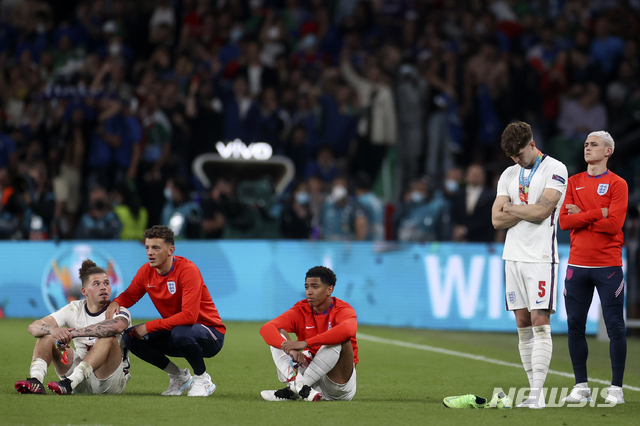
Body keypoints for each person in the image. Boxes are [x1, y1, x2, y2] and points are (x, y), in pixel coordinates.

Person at [491, 120, 568, 409]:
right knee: (522, 324)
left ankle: (538, 395)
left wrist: (511, 207)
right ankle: (531, 391)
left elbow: (542, 212)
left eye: (520, 155)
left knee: (539, 322)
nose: (516, 161)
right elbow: (496, 219)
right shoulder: (509, 173)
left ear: (533, 145)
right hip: (512, 256)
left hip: (540, 257)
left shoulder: (556, 169)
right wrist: (522, 210)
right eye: (511, 157)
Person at [106, 225, 225, 397]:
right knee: (130, 337)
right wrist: (115, 303)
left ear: (170, 250)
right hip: (177, 331)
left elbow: (189, 316)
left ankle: (202, 379)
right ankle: (180, 377)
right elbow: (130, 296)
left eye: (156, 247)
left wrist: (150, 326)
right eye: (147, 247)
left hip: (210, 334)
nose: (150, 252)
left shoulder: (187, 270)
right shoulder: (146, 271)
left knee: (181, 333)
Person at [558, 131, 628, 405]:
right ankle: (581, 386)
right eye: (586, 144)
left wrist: (583, 216)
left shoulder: (618, 184)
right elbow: (564, 222)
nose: (587, 147)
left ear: (608, 151)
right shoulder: (573, 182)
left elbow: (615, 225)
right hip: (577, 264)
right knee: (575, 326)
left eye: (594, 144)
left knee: (615, 327)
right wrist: (600, 212)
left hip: (608, 266)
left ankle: (616, 389)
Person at [15, 260, 132, 395]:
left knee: (108, 338)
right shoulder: (74, 308)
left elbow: (116, 326)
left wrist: (72, 334)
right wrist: (54, 331)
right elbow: (34, 327)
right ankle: (36, 380)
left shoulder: (119, 310)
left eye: (106, 283)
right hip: (79, 377)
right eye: (96, 284)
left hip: (108, 381)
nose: (103, 287)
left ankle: (69, 383)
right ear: (84, 291)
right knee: (46, 334)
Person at [259, 266, 358, 402]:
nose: (309, 292)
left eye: (315, 287)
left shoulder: (343, 309)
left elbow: (348, 330)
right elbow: (266, 328)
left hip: (336, 385)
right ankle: (301, 387)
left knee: (340, 340)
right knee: (278, 332)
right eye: (307, 287)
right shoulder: (301, 309)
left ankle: (295, 388)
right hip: (312, 377)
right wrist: (291, 350)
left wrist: (306, 343)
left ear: (330, 289)